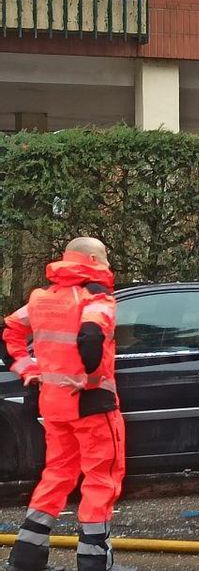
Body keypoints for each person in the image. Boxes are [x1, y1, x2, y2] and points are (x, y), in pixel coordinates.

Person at [3, 238, 124, 571]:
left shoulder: (41, 299)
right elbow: (91, 338)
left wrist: (29, 371)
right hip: (92, 405)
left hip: (54, 406)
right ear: (91, 260)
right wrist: (90, 379)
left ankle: (27, 557)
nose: (108, 263)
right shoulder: (96, 299)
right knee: (102, 478)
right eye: (104, 256)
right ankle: (94, 560)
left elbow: (9, 333)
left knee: (56, 474)